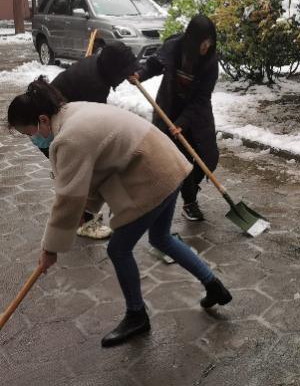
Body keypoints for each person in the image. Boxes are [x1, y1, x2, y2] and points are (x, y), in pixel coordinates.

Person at [7, 76, 232, 348]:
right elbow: (90, 177)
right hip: (168, 165)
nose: (33, 140)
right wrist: (85, 212)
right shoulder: (72, 113)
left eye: (29, 134)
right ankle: (214, 285)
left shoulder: (69, 137)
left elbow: (68, 198)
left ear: (42, 120)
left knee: (119, 249)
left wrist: (50, 249)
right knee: (161, 238)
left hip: (153, 175)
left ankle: (137, 315)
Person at [35, 42, 140, 239]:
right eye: (123, 71)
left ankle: (83, 216)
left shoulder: (99, 65)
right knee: (81, 173)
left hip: (56, 120)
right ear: (113, 69)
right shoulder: (94, 83)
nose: (124, 75)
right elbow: (95, 125)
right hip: (46, 128)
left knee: (84, 170)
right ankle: (83, 222)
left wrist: (128, 73)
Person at [135, 14, 219, 222]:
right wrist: (140, 75)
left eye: (210, 42)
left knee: (209, 158)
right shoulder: (174, 47)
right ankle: (189, 202)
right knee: (182, 161)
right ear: (193, 39)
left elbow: (201, 98)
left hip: (196, 113)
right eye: (203, 42)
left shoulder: (210, 62)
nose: (207, 46)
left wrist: (183, 123)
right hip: (169, 109)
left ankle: (191, 188)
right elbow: (155, 64)